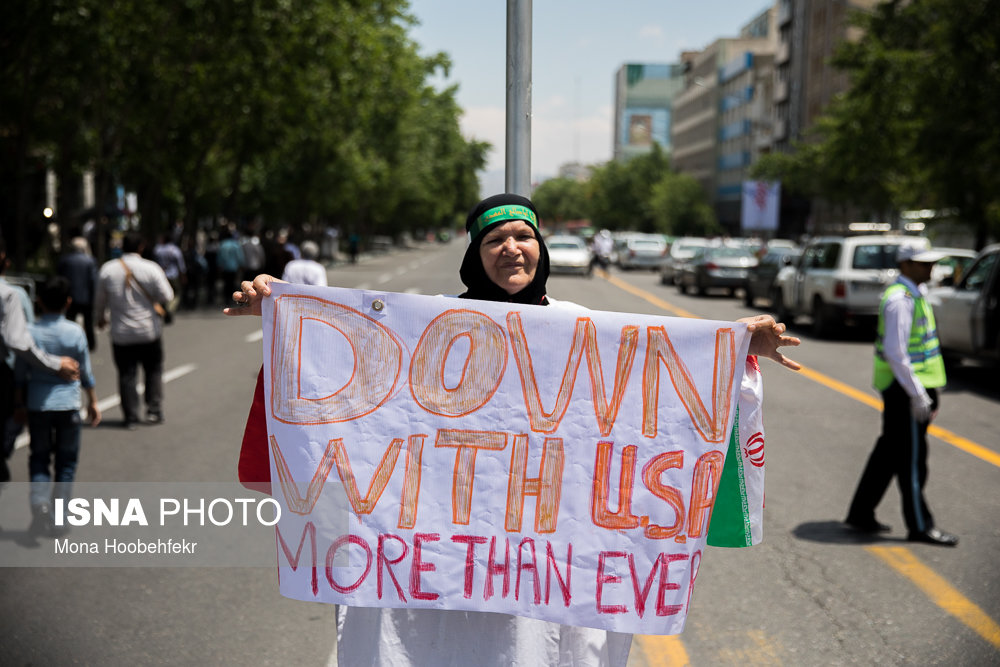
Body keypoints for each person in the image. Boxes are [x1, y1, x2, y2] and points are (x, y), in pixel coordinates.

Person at [225, 194, 801, 666]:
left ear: (540, 248)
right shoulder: (422, 327)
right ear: (475, 256)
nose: (511, 248)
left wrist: (738, 344)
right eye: (495, 239)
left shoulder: (586, 331)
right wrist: (286, 318)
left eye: (523, 236)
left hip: (547, 571)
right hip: (439, 571)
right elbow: (336, 375)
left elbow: (676, 367)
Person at [845, 244, 957, 546]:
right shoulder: (900, 299)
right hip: (906, 390)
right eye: (922, 264)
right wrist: (919, 394)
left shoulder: (913, 295)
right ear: (905, 264)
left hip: (908, 387)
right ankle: (921, 526)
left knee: (889, 453)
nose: (929, 269)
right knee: (912, 460)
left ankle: (860, 513)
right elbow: (897, 353)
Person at [15, 276, 100, 534]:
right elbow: (84, 371)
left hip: (38, 405)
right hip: (68, 405)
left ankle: (39, 504)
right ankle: (60, 517)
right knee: (66, 462)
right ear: (68, 302)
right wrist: (93, 401)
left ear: (38, 301)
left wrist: (20, 404)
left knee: (39, 458)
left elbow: (21, 373)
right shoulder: (75, 332)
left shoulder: (28, 332)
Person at [95, 232, 173, 428]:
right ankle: (154, 409)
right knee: (153, 370)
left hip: (121, 333)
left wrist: (100, 318)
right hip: (149, 330)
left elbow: (99, 301)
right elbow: (167, 295)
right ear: (141, 247)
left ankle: (130, 416)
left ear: (122, 246)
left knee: (126, 374)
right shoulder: (151, 268)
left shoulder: (107, 270)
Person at [56, 236, 99, 351]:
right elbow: (93, 281)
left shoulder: (65, 260)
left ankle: (68, 342)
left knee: (69, 321)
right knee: (89, 323)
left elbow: (60, 278)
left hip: (70, 297)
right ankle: (91, 345)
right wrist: (94, 298)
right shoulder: (90, 261)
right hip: (86, 298)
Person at [152, 233, 186, 316]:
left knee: (162, 291)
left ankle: (163, 307)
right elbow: (181, 264)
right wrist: (183, 275)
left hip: (161, 274)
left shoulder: (157, 249)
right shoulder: (174, 250)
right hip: (173, 275)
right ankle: (170, 308)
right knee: (176, 293)